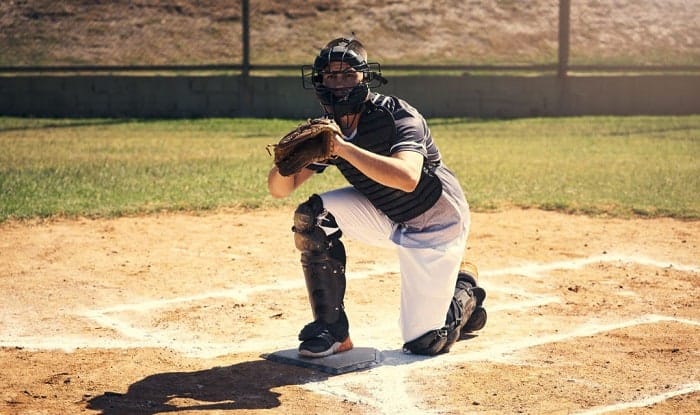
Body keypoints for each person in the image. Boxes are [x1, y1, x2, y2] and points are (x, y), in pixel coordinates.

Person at [267, 36, 487, 357]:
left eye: (347, 75)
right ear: (319, 81)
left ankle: (464, 287)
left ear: (364, 78)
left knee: (426, 341)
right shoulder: (329, 130)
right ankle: (332, 331)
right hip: (385, 212)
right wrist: (287, 161)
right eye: (330, 75)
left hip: (434, 220)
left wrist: (343, 148)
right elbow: (279, 189)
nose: (338, 83)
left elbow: (408, 178)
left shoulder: (396, 116)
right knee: (311, 217)